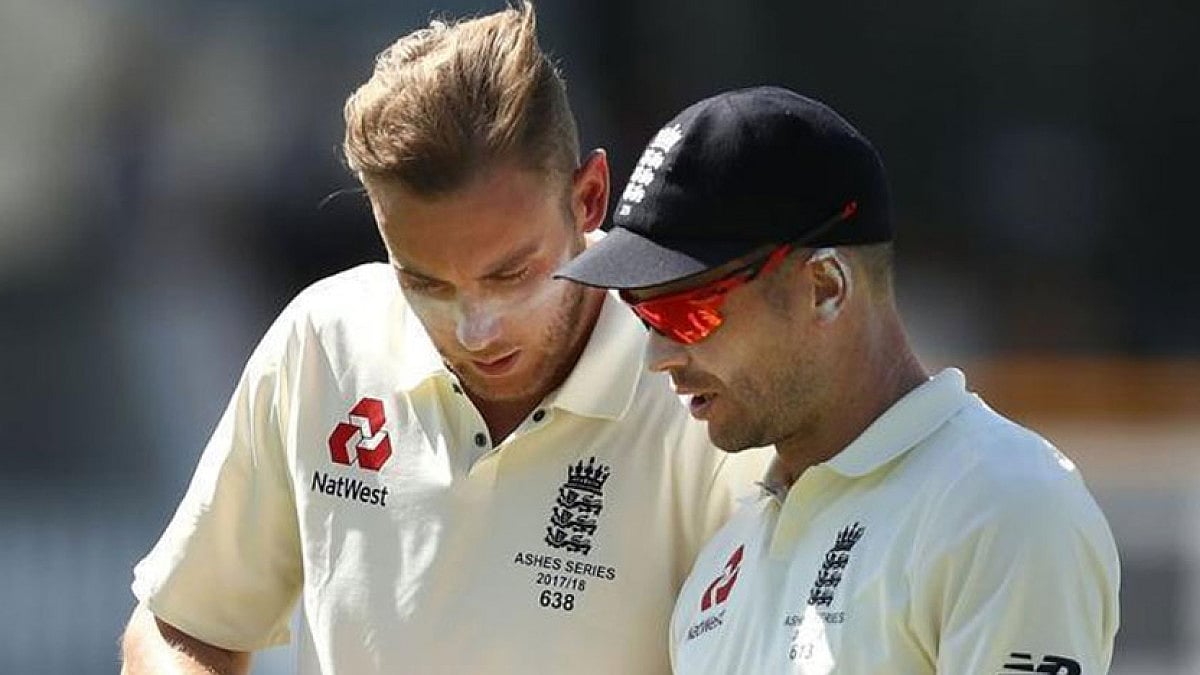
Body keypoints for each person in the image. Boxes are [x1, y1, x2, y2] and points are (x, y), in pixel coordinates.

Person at [119, 5, 768, 674]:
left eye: (510, 273)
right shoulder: (324, 340)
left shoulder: (702, 387)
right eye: (425, 282)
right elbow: (183, 625)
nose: (474, 329)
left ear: (589, 199)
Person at [556, 86, 1120, 674]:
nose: (657, 355)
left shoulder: (1003, 505)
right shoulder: (724, 563)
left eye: (686, 312)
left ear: (825, 286)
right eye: (643, 314)